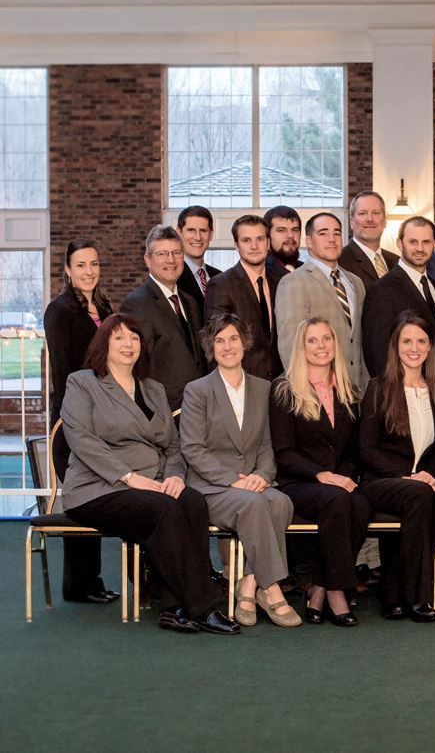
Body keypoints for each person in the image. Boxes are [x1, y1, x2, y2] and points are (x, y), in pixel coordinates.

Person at [59, 313, 238, 634]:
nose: (128, 344)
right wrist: (129, 477)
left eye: (134, 337)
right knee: (165, 510)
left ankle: (173, 606)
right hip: (98, 489)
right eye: (119, 338)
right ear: (104, 344)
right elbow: (81, 440)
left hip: (152, 485)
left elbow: (172, 443)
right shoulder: (82, 382)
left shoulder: (153, 389)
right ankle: (204, 606)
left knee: (192, 501)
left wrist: (174, 476)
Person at [179, 314, 300, 628]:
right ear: (211, 348)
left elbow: (267, 445)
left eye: (233, 338)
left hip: (253, 483)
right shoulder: (198, 390)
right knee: (258, 505)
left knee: (281, 502)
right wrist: (233, 480)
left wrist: (262, 474)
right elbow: (193, 449)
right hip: (212, 487)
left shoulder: (263, 389)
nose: (227, 346)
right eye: (219, 341)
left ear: (244, 344)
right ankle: (272, 590)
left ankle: (248, 584)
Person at [270, 318, 371, 627]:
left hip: (338, 483)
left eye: (326, 339)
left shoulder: (349, 391)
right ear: (302, 347)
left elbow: (354, 451)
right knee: (337, 501)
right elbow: (284, 453)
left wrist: (346, 476)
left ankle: (320, 585)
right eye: (312, 340)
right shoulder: (285, 389)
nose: (321, 346)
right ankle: (338, 591)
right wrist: (322, 475)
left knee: (362, 506)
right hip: (298, 483)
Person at [358, 313, 435, 622]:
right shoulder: (379, 387)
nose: (414, 348)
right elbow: (366, 449)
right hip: (381, 481)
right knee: (419, 496)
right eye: (407, 341)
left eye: (421, 341)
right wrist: (406, 476)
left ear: (430, 347)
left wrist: (430, 476)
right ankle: (417, 596)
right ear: (395, 346)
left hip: (423, 483)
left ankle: (392, 588)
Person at [43, 239, 118, 605]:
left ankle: (93, 579)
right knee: (79, 496)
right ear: (68, 270)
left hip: (102, 415)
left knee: (98, 491)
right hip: (73, 417)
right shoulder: (59, 311)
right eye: (81, 265)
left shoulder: (102, 305)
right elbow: (64, 370)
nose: (89, 271)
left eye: (94, 263)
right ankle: (77, 585)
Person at [275, 211, 368, 393]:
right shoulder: (293, 282)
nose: (332, 239)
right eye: (323, 233)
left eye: (337, 233)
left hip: (358, 391)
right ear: (309, 241)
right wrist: (307, 395)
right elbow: (290, 347)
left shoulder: (355, 282)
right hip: (318, 394)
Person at [120, 225, 206, 410]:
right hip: (163, 411)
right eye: (162, 254)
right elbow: (135, 367)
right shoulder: (137, 304)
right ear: (147, 260)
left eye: (176, 252)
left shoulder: (190, 302)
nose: (171, 260)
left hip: (197, 407)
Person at [361, 216, 435, 385]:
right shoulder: (381, 290)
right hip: (401, 394)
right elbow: (377, 356)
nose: (420, 248)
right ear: (399, 244)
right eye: (413, 242)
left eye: (426, 242)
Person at [204, 214, 283, 380]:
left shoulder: (281, 280)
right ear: (236, 245)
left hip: (280, 382)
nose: (254, 246)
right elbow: (216, 342)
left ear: (268, 243)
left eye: (260, 239)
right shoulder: (221, 284)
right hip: (242, 382)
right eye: (246, 240)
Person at [338, 190, 400, 290]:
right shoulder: (340, 263)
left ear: (384, 221)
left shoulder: (398, 262)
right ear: (352, 222)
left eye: (376, 213)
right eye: (363, 213)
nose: (370, 219)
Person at [176, 205, 221, 305]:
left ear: (211, 234)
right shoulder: (172, 277)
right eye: (191, 230)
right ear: (179, 232)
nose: (198, 237)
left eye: (203, 230)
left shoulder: (220, 277)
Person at [264, 204, 303, 277]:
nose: (290, 235)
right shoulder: (260, 273)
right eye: (281, 230)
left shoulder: (308, 271)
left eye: (295, 230)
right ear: (267, 236)